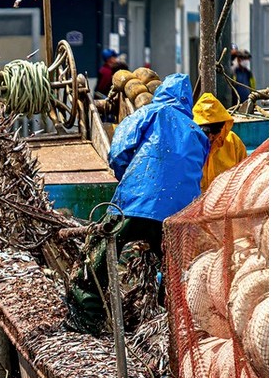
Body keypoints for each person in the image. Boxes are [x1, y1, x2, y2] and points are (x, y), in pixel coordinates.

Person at [66, 73, 209, 335]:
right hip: (177, 217)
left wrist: (127, 176)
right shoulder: (197, 133)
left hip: (134, 204)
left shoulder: (150, 113)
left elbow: (119, 149)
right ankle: (170, 331)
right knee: (174, 272)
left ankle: (86, 322)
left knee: (96, 254)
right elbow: (193, 173)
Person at [192, 92, 247, 191]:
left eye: (216, 131)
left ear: (223, 128)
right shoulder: (188, 147)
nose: (211, 137)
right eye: (206, 132)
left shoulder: (233, 142)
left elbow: (245, 176)